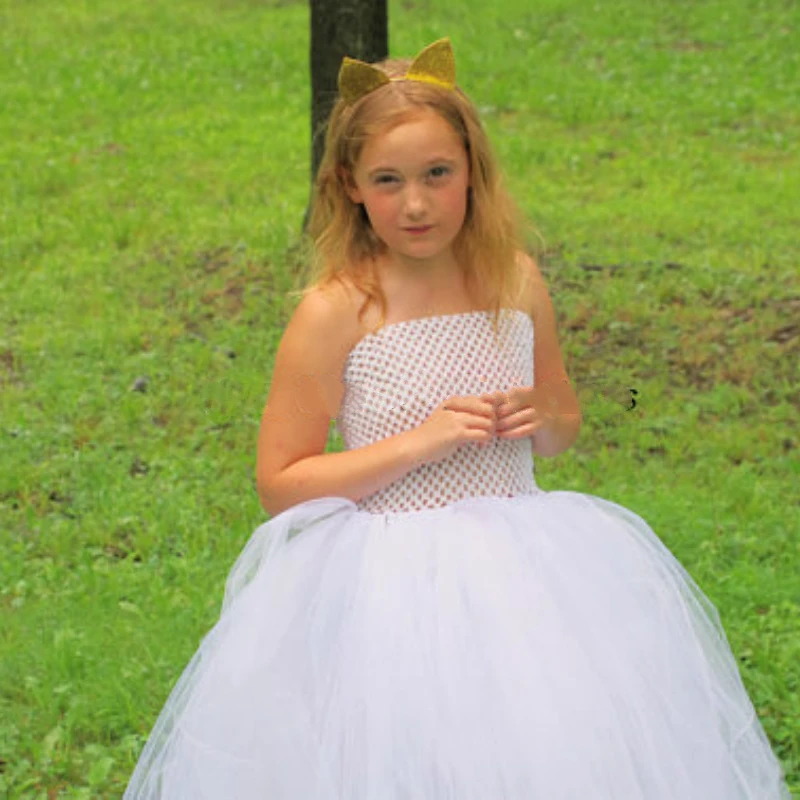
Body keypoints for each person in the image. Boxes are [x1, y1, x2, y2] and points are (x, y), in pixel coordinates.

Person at [124, 39, 791, 799]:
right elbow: (281, 482)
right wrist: (420, 442)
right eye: (388, 180)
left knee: (545, 748)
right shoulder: (337, 310)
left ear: (472, 167)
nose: (415, 203)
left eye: (437, 174)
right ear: (349, 186)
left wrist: (543, 413)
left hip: (529, 571)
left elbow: (563, 419)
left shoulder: (515, 281)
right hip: (388, 585)